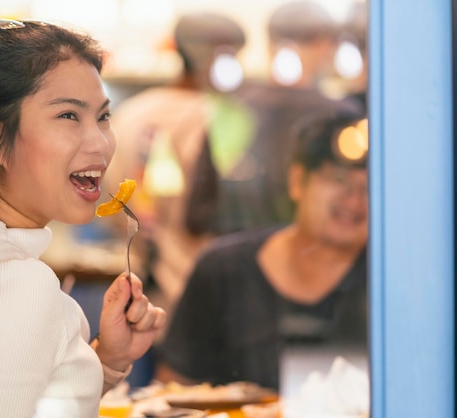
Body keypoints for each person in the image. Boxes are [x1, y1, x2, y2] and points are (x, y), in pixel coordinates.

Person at [0, 16, 166, 418]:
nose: (100, 143)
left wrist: (105, 361)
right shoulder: (11, 284)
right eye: (68, 116)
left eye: (103, 116)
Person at [155, 108, 369, 391]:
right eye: (338, 179)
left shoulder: (390, 281)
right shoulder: (223, 270)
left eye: (369, 187)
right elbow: (173, 389)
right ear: (297, 181)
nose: (353, 200)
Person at [104, 12, 254, 333]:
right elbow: (237, 208)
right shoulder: (226, 118)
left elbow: (110, 201)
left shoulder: (130, 114)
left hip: (139, 289)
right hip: (209, 296)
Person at [236, 0, 363, 226]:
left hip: (243, 240)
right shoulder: (338, 115)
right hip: (311, 242)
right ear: (324, 45)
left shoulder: (237, 105)